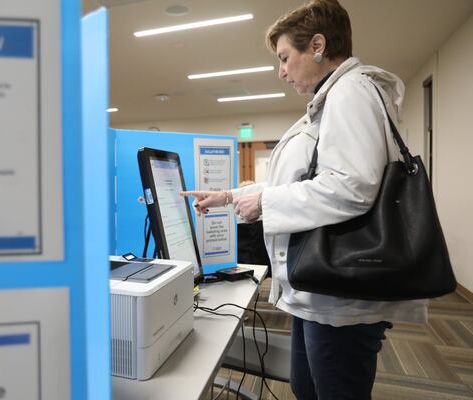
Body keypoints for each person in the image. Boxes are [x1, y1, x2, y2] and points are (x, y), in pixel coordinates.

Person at [181, 0, 428, 398]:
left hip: (340, 296)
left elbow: (352, 187)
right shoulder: (333, 100)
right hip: (322, 290)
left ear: (317, 45)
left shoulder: (350, 92)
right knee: (305, 387)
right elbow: (304, 181)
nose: (280, 71)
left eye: (284, 58)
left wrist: (264, 205)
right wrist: (230, 196)